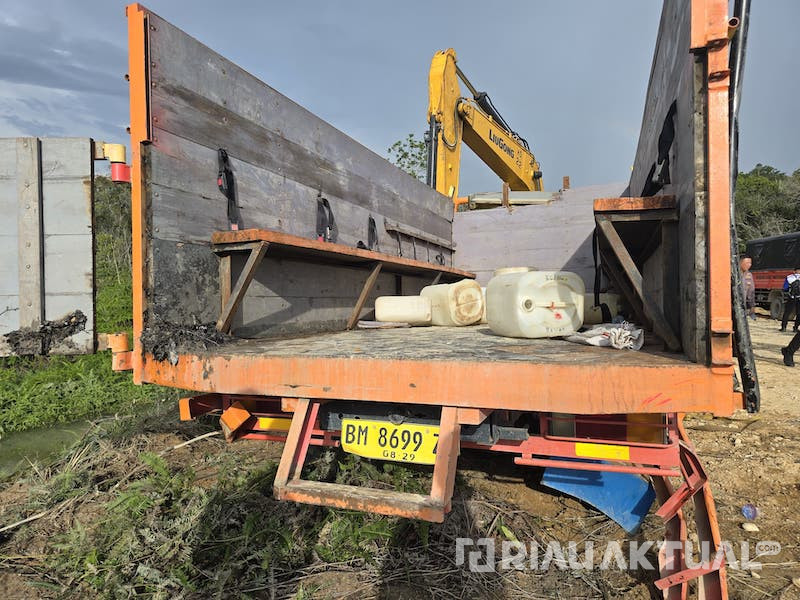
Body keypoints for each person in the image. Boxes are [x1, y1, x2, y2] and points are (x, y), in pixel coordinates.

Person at [780, 266, 800, 332]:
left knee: (787, 313)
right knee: (799, 314)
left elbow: (785, 288)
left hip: (791, 297)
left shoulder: (789, 277)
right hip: (799, 298)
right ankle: (795, 328)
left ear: (794, 271)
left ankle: (783, 327)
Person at [740, 256, 756, 321]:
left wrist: (752, 306)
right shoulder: (734, 274)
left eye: (750, 263)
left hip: (741, 305)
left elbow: (751, 291)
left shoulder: (749, 275)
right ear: (740, 263)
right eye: (747, 263)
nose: (749, 265)